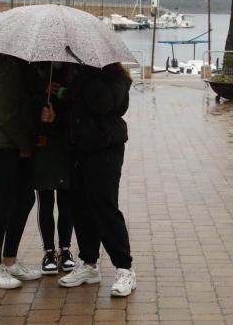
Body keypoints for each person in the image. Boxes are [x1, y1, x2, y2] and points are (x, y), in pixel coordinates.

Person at [58, 63, 136, 297]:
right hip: (77, 147)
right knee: (80, 207)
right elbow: (75, 107)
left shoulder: (114, 76)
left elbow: (103, 103)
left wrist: (86, 76)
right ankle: (89, 263)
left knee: (105, 206)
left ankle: (124, 268)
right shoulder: (77, 74)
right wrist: (62, 94)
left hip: (105, 147)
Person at [0, 52, 43, 289]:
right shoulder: (6, 68)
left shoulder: (17, 68)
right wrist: (25, 145)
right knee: (5, 202)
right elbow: (7, 115)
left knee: (24, 199)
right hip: (0, 143)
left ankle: (10, 260)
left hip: (11, 142)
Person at [30, 63, 76, 275]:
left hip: (67, 144)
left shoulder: (74, 68)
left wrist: (62, 96)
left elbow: (80, 102)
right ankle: (49, 251)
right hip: (43, 144)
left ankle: (65, 249)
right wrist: (41, 101)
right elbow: (24, 100)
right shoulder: (33, 69)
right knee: (46, 200)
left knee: (66, 202)